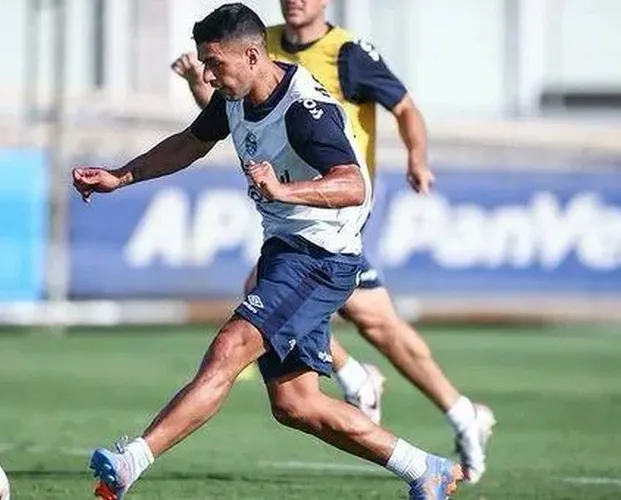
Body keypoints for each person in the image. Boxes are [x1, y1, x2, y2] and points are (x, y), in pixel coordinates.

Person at [74, 4, 463, 499]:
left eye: (215, 64)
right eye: (205, 64)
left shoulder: (304, 110)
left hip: (320, 258)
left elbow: (351, 185)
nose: (209, 75)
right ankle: (425, 468)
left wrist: (285, 192)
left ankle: (131, 461)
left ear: (253, 55)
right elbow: (190, 142)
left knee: (230, 348)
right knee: (296, 404)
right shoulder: (235, 94)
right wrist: (120, 176)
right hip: (287, 251)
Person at [171, 0, 493, 483]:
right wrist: (202, 86)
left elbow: (404, 107)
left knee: (325, 309)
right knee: (371, 320)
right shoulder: (261, 42)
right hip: (297, 214)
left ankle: (376, 386)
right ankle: (457, 412)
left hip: (335, 209)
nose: (295, 0)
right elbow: (244, 125)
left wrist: (417, 158)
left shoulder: (348, 54)